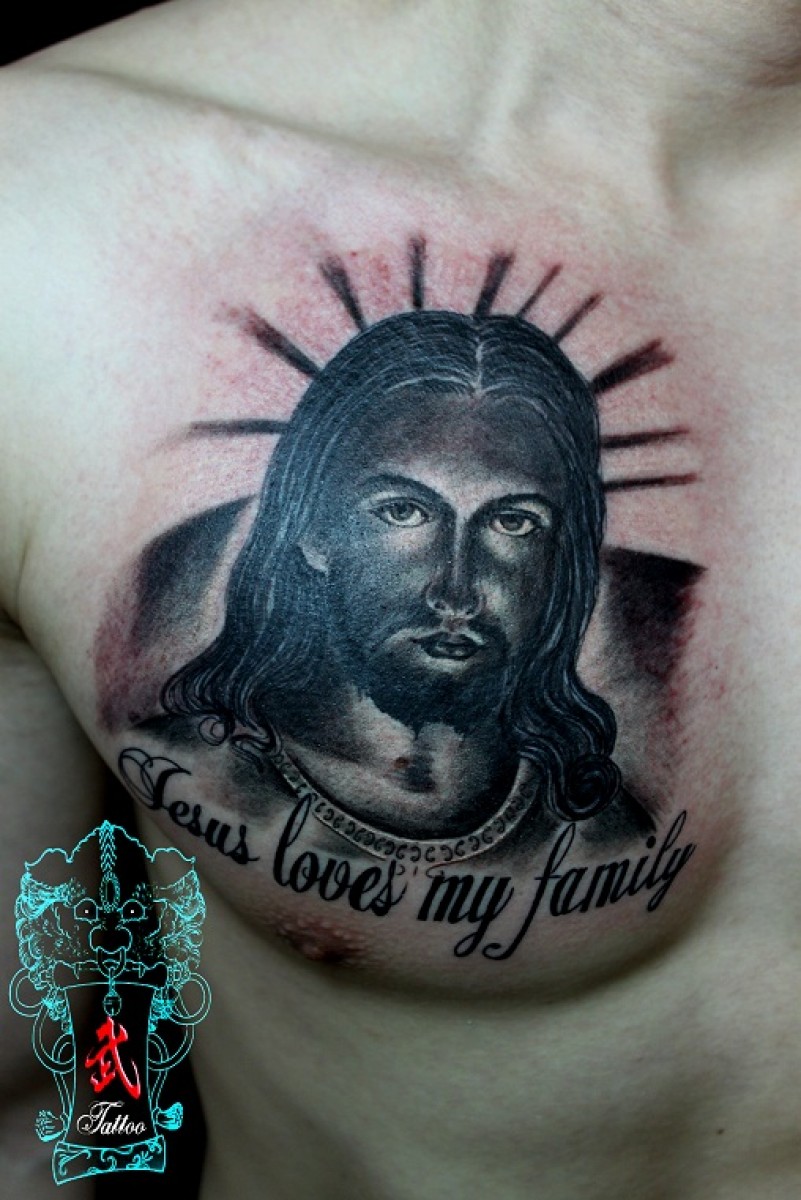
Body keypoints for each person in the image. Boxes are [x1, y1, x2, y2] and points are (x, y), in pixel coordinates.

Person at [1, 2, 800, 1198]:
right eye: (404, 512)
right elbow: (28, 1116)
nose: (458, 582)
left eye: (515, 525)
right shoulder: (47, 225)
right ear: (308, 528)